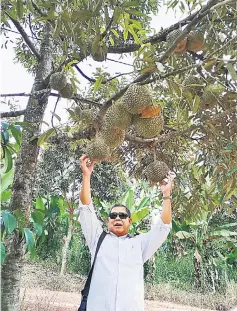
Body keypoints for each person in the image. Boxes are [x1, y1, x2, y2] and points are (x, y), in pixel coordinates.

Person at [79, 154, 173, 311]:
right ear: (108, 221)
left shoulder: (139, 244)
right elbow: (86, 208)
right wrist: (86, 176)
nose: (117, 218)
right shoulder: (97, 239)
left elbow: (163, 226)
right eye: (113, 215)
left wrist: (166, 194)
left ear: (130, 221)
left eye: (122, 215)